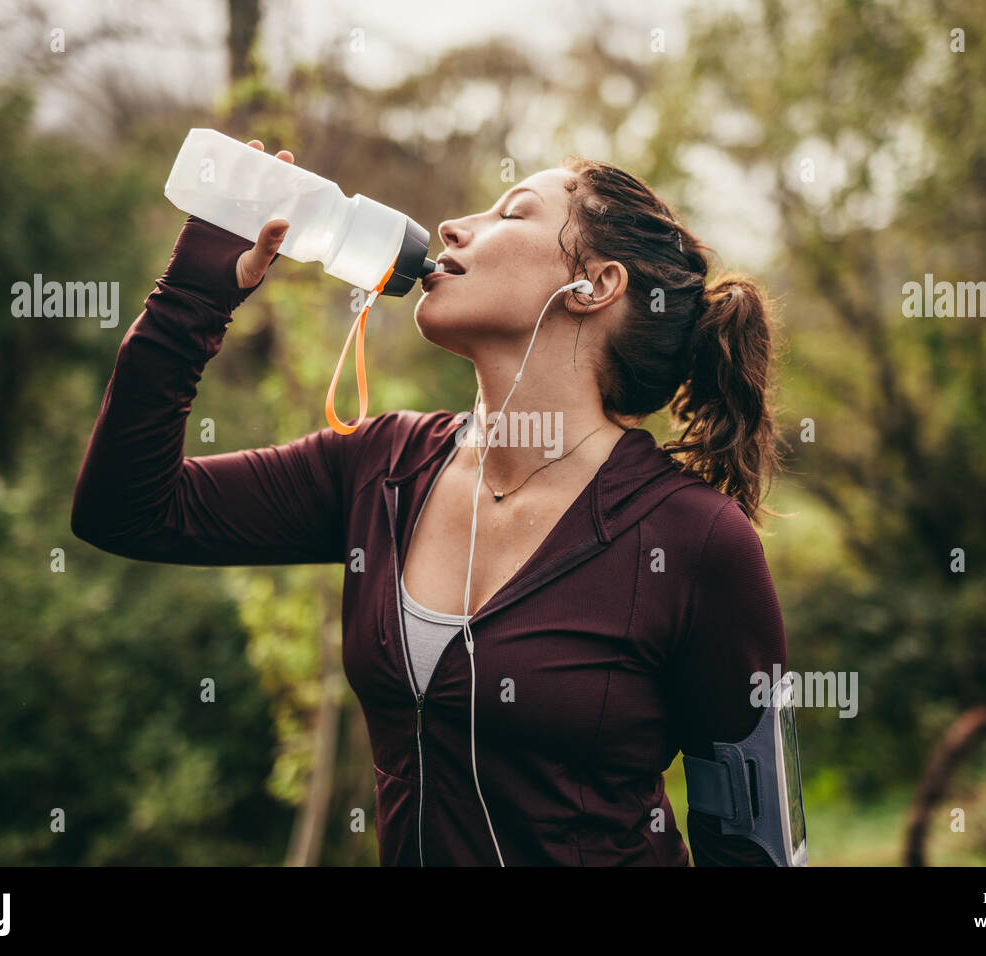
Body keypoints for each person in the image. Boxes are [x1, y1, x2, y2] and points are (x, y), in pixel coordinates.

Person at [71, 139, 788, 866]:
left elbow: (754, 843)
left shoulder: (696, 540)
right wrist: (194, 296)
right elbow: (126, 508)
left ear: (595, 285)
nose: (450, 227)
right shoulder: (379, 467)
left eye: (512, 212)